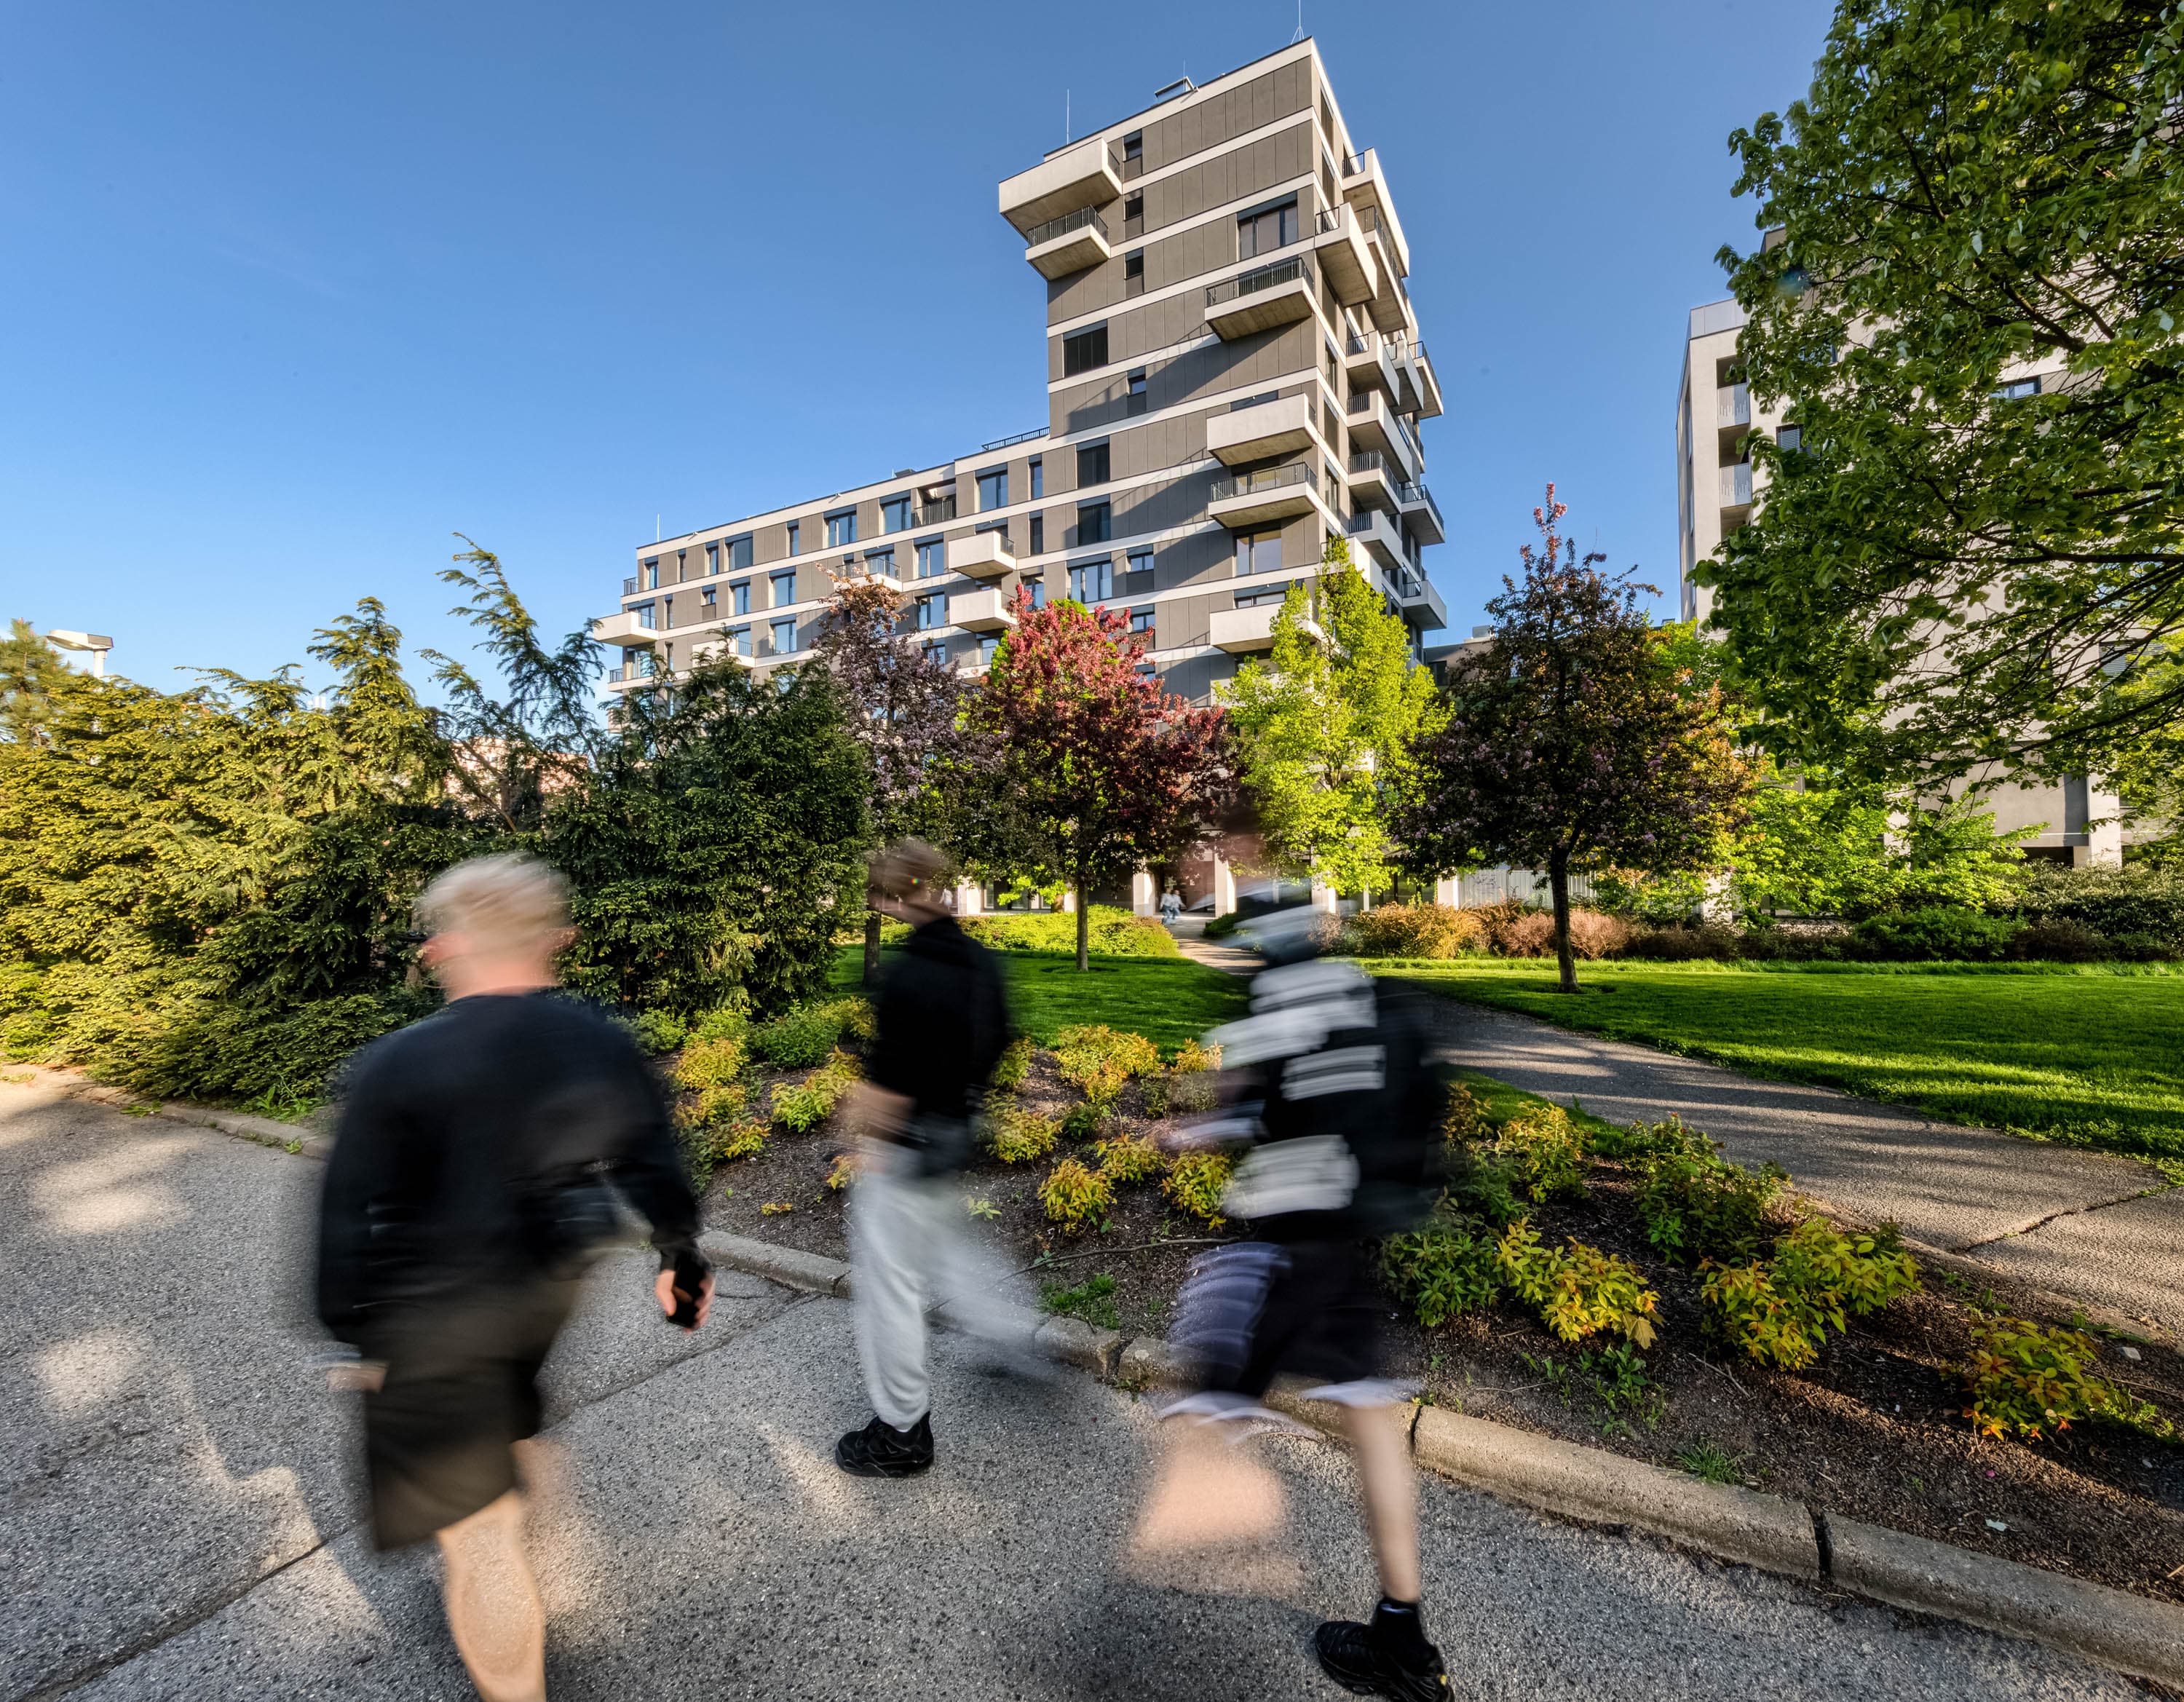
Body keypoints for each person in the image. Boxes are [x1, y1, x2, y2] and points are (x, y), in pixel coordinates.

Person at [315, 853, 712, 1702]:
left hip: (436, 1312)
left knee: (479, 1541)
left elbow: (344, 1214)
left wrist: (357, 1333)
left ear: (444, 948)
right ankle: (511, 1504)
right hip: (546, 1290)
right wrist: (682, 1260)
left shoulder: (395, 1062)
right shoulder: (598, 1039)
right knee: (511, 1414)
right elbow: (654, 1164)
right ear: (555, 941)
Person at [1149, 904, 1450, 1701]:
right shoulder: (1356, 990)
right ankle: (1402, 1636)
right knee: (1369, 1411)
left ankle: (1127, 1634)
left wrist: (1184, 1133)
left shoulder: (1269, 999)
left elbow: (1251, 1110)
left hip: (1281, 1240)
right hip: (1351, 1231)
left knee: (1203, 1405)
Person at [834, 838, 1018, 1478]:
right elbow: (1001, 1039)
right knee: (944, 1243)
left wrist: (864, 1139)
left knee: (892, 1288)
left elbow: (886, 1085)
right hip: (955, 1132)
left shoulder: (907, 973)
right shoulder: (980, 962)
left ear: (888, 897)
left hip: (906, 1146)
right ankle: (1008, 1333)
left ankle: (901, 1432)